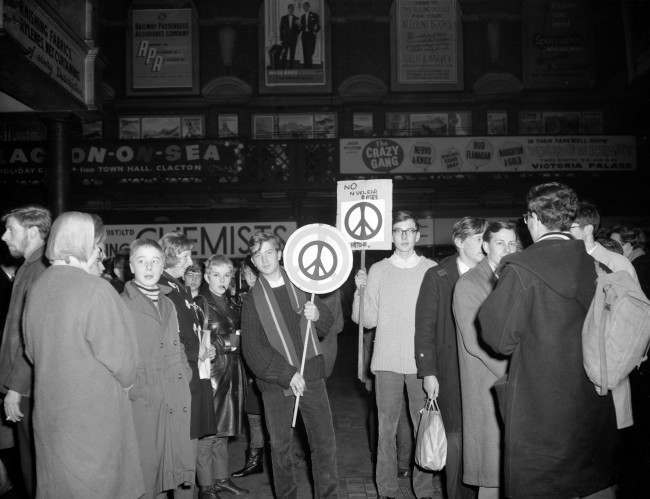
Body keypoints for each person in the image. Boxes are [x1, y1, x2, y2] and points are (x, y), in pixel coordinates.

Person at [478, 183, 619, 498]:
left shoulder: (522, 270)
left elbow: (498, 339)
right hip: (592, 405)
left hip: (539, 412)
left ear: (533, 219)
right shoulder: (599, 267)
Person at [22, 211, 144, 498]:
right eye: (97, 246)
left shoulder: (38, 288)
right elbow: (125, 363)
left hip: (51, 416)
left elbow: (30, 351)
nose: (100, 253)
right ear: (83, 245)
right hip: (94, 419)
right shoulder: (95, 289)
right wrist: (127, 385)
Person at [241, 231, 338, 499]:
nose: (265, 259)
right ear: (253, 261)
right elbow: (252, 350)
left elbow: (326, 323)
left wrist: (317, 314)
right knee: (281, 449)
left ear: (280, 253)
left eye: (269, 252)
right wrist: (287, 374)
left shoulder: (303, 284)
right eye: (258, 255)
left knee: (324, 445)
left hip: (312, 375)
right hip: (276, 385)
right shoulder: (251, 301)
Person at [352, 210, 436, 499]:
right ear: (390, 236)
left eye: (409, 230)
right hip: (386, 361)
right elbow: (366, 320)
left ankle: (423, 489)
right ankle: (386, 489)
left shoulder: (431, 269)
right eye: (398, 231)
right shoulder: (378, 270)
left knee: (423, 427)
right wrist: (359, 291)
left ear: (417, 235)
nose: (403, 236)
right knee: (386, 430)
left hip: (420, 362)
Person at [415, 216, 487, 499]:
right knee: (456, 442)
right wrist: (429, 371)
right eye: (479, 238)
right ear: (459, 241)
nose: (485, 245)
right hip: (451, 373)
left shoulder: (497, 272)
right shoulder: (438, 275)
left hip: (486, 372)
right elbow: (424, 326)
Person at [121, 238, 195, 499]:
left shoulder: (168, 303)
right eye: (142, 261)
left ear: (163, 264)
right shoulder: (122, 305)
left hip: (174, 394)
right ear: (131, 266)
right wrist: (135, 388)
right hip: (144, 400)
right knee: (147, 475)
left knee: (173, 469)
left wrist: (185, 376)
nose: (149, 267)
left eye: (155, 261)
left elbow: (177, 346)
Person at [452, 221, 517, 499]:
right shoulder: (469, 284)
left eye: (512, 243)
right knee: (490, 473)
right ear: (485, 245)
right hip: (488, 385)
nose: (507, 249)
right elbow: (476, 341)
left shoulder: (515, 278)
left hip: (512, 384)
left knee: (510, 471)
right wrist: (516, 372)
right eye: (500, 243)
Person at [159, 232, 217, 498]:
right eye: (185, 256)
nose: (190, 261)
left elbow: (189, 332)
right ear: (170, 257)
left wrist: (205, 348)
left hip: (195, 377)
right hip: (184, 382)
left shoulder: (179, 288)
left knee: (189, 459)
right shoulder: (164, 289)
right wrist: (190, 369)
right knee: (181, 461)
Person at [0, 205, 51, 498]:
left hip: (30, 390)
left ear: (32, 232)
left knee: (34, 471)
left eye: (12, 229)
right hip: (26, 386)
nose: (5, 237)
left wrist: (16, 387)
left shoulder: (39, 270)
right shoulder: (30, 267)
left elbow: (32, 335)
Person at [195, 256, 248, 497]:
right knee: (208, 433)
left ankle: (221, 478)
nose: (222, 280)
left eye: (226, 275)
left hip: (231, 371)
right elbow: (196, 338)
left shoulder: (230, 300)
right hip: (211, 372)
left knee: (223, 431)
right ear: (207, 276)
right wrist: (225, 342)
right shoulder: (200, 302)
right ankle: (206, 486)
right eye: (216, 275)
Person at [231, 257, 266, 479]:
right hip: (247, 362)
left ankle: (257, 459)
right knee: (253, 413)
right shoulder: (244, 297)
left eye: (251, 273)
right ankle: (256, 459)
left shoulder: (263, 297)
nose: (248, 277)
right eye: (245, 273)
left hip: (261, 363)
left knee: (260, 413)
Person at [299, 2, 320, 68]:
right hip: (304, 35)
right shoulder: (302, 16)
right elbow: (301, 28)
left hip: (311, 35)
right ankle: (306, 66)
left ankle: (309, 65)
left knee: (311, 50)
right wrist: (299, 26)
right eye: (304, 7)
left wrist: (315, 31)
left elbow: (318, 26)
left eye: (306, 6)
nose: (305, 8)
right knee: (305, 50)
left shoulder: (314, 15)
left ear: (309, 7)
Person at [280, 3, 300, 69]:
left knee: (292, 54)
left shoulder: (297, 18)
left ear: (293, 10)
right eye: (290, 9)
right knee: (284, 54)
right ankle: (283, 67)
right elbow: (281, 29)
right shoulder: (283, 18)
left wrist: (299, 26)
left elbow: (298, 30)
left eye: (292, 9)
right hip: (285, 39)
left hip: (293, 39)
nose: (291, 10)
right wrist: (281, 39)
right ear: (288, 9)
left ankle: (291, 67)